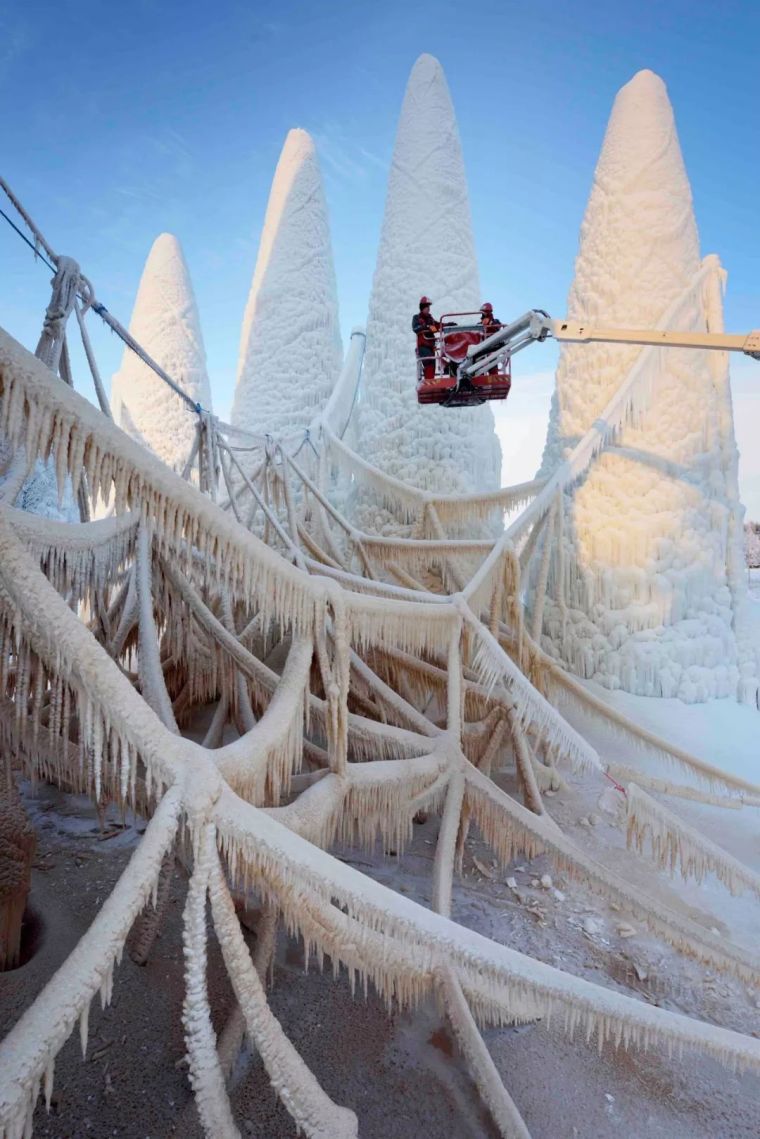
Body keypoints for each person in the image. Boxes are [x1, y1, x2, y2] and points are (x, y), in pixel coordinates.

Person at [412, 296, 440, 381]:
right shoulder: (416, 317)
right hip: (423, 346)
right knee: (429, 363)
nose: (428, 309)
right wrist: (426, 327)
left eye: (429, 307)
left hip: (431, 346)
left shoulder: (430, 319)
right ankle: (429, 382)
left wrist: (447, 325)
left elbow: (437, 326)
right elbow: (415, 328)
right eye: (427, 307)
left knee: (433, 365)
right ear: (422, 308)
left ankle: (431, 382)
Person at [479, 303, 503, 374]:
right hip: (481, 347)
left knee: (492, 358)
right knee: (479, 360)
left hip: (492, 346)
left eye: (484, 313)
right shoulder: (479, 324)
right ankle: (480, 375)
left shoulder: (495, 322)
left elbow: (498, 326)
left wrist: (491, 323)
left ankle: (493, 374)